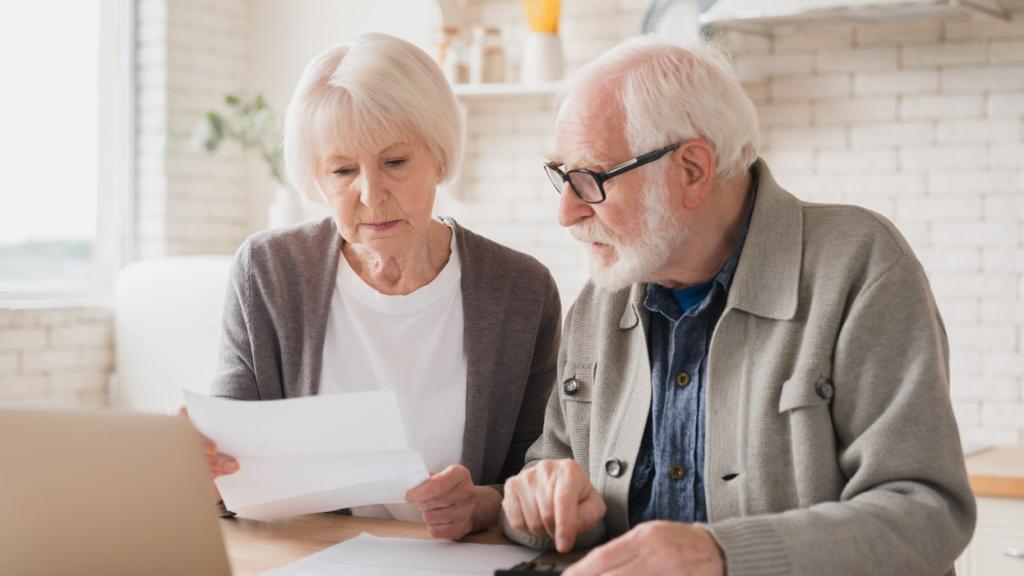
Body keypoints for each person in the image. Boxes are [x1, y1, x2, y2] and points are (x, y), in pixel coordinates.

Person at [500, 35, 976, 576]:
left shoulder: (859, 266)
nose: (566, 213)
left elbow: (927, 515)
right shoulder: (600, 300)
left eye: (589, 178)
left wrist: (721, 555)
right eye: (561, 176)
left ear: (692, 170)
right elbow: (548, 476)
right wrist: (545, 507)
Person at [178, 33, 560, 541]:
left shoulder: (521, 290)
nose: (371, 194)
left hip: (455, 560)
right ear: (316, 179)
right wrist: (196, 463)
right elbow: (230, 475)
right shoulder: (268, 273)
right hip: (307, 558)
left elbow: (540, 471)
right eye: (342, 170)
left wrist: (483, 505)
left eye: (396, 163)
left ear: (439, 158)